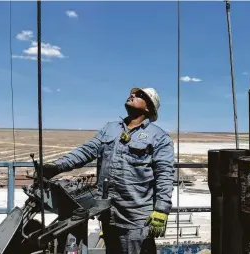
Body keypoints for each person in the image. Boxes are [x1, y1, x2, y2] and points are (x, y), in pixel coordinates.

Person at [43, 87, 175, 254]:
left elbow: (165, 175)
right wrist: (57, 166)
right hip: (108, 211)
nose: (132, 95)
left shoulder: (159, 137)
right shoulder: (110, 129)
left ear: (149, 107)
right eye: (133, 93)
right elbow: (87, 150)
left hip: (136, 216)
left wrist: (161, 209)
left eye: (140, 95)